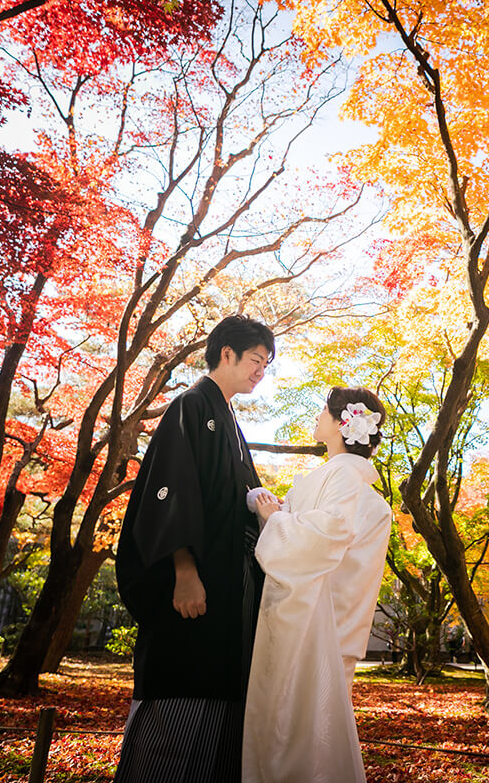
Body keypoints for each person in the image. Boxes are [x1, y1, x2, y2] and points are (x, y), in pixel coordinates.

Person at [113, 315, 274, 783]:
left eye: (266, 364)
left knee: (225, 701)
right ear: (227, 353)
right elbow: (171, 491)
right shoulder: (190, 405)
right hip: (196, 586)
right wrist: (184, 570)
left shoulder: (227, 417)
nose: (260, 372)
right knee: (181, 698)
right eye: (256, 360)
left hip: (229, 591)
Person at [243, 387, 392, 783]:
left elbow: (326, 535)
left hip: (311, 625)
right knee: (313, 734)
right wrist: (275, 515)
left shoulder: (342, 473)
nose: (316, 418)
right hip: (325, 621)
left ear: (343, 423)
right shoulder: (350, 480)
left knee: (292, 735)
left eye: (322, 411)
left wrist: (273, 519)